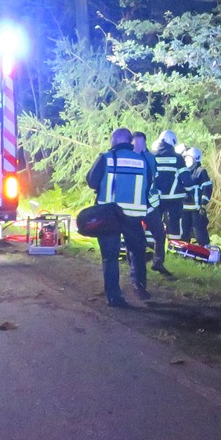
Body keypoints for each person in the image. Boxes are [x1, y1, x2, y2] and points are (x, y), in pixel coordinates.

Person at [86, 127, 151, 307]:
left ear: (114, 141)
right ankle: (140, 287)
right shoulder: (142, 160)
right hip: (134, 216)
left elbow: (91, 181)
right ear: (129, 142)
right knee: (137, 253)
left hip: (110, 217)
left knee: (110, 257)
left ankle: (114, 297)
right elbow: (149, 185)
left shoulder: (106, 158)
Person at [132, 131, 171, 276]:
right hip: (133, 206)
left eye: (141, 143)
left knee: (160, 234)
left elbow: (157, 178)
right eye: (136, 143)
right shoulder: (129, 158)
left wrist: (157, 193)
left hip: (150, 205)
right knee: (135, 237)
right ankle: (135, 268)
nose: (139, 146)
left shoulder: (150, 157)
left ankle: (158, 263)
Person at [151, 129, 193, 243]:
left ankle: (151, 247)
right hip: (174, 198)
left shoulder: (152, 156)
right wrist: (191, 192)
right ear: (173, 142)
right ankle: (174, 247)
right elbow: (186, 179)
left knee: (154, 221)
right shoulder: (178, 158)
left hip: (156, 198)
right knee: (174, 223)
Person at [181, 147, 213, 246]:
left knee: (199, 230)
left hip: (197, 208)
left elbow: (207, 188)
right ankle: (184, 251)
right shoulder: (183, 172)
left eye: (188, 158)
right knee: (184, 230)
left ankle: (206, 250)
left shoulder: (201, 172)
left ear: (194, 159)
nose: (185, 160)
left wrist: (203, 205)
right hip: (184, 208)